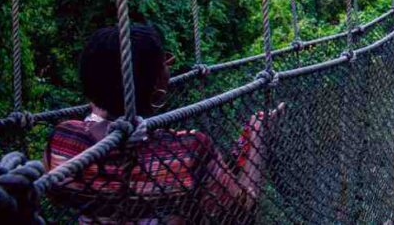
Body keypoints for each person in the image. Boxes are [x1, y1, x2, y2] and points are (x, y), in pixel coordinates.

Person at [45, 24, 283, 223]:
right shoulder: (187, 150)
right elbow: (239, 210)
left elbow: (57, 194)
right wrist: (258, 136)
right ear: (156, 82)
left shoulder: (64, 141)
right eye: (165, 63)